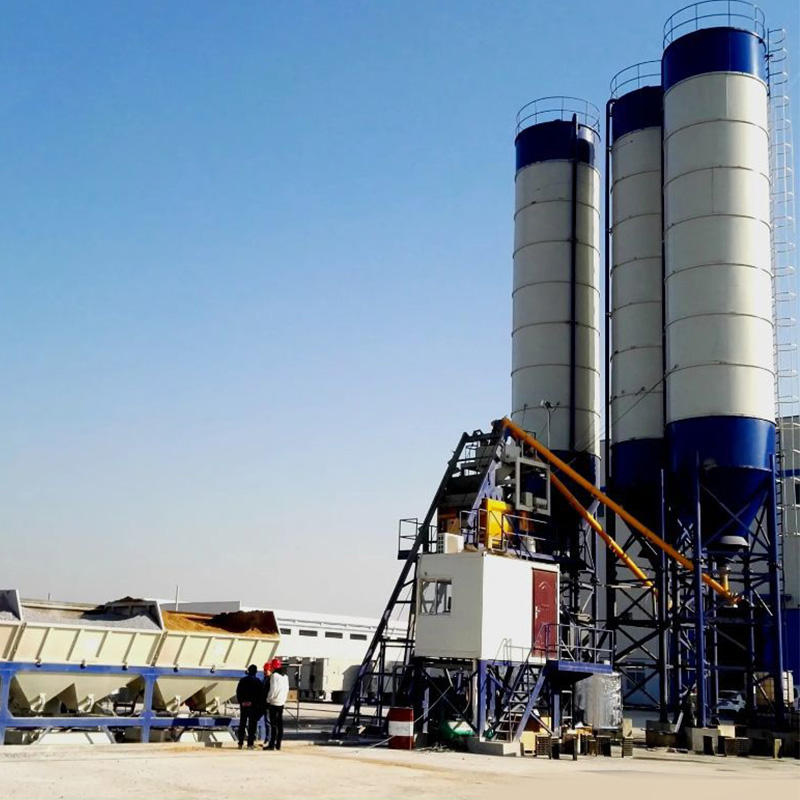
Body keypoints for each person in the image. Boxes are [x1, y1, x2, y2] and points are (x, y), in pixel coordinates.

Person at [236, 664, 263, 749]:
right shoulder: (258, 681)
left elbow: (238, 692)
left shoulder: (242, 680)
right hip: (253, 706)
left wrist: (241, 702)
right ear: (256, 672)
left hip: (244, 705)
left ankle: (240, 743)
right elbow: (260, 695)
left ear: (248, 671)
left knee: (242, 724)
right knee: (252, 725)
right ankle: (250, 744)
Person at [265, 659, 289, 751]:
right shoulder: (285, 676)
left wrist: (268, 699)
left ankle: (271, 744)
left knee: (273, 725)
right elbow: (287, 689)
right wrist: (283, 699)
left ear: (273, 667)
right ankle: (278, 744)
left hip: (274, 702)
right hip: (281, 702)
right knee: (280, 724)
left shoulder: (274, 676)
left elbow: (273, 689)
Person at [260, 661, 273, 748]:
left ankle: (268, 739)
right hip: (264, 703)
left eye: (266, 670)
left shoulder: (271, 679)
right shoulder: (265, 679)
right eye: (264, 670)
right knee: (266, 721)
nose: (265, 672)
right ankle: (267, 739)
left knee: (268, 722)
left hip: (268, 703)